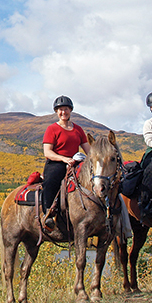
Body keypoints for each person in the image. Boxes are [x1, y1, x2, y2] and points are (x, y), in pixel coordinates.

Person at [42, 95, 91, 229]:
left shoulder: (78, 129)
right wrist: (64, 159)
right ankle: (49, 213)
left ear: (71, 110)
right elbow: (48, 152)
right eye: (60, 110)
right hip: (57, 162)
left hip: (75, 162)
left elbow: (88, 150)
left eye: (66, 109)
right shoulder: (52, 129)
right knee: (51, 179)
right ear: (56, 112)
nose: (63, 112)